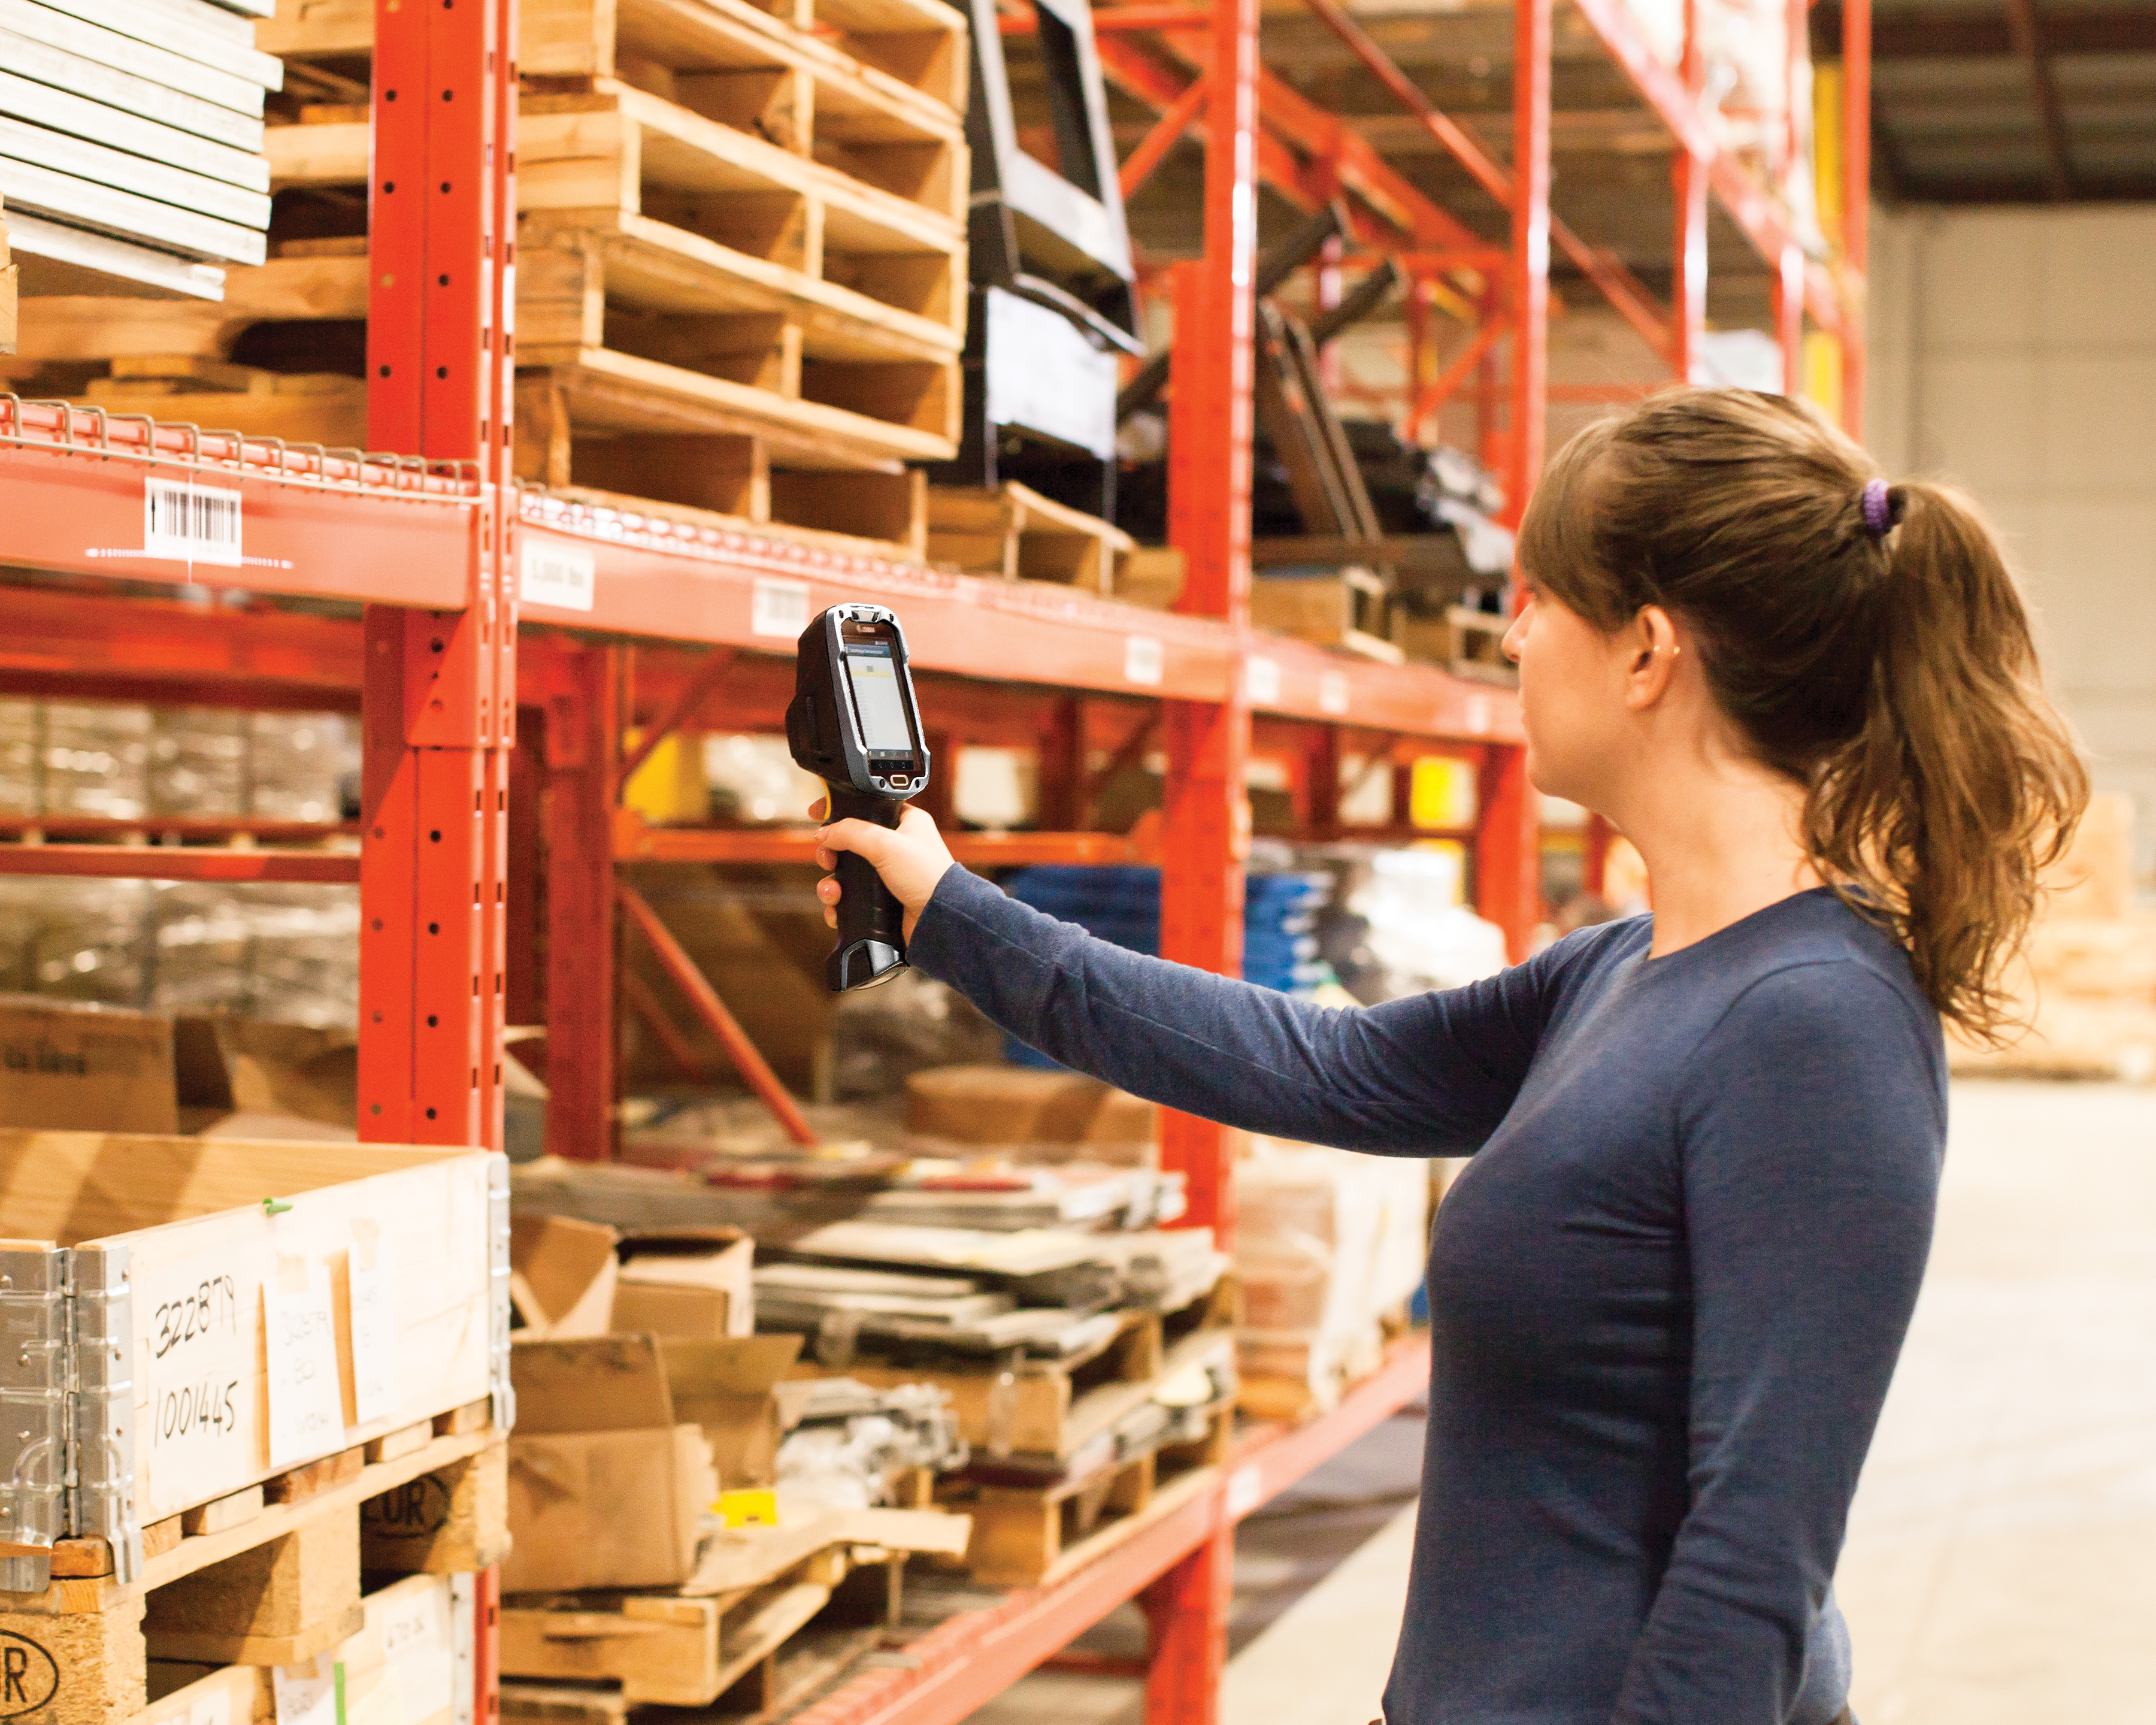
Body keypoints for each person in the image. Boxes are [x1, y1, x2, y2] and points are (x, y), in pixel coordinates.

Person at [810, 388, 2088, 1725]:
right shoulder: (1623, 969)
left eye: (1540, 600)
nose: (1514, 635)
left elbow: (1758, 1560)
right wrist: (947, 911)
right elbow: (1319, 1066)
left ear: (1648, 652)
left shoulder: (1817, 1026)